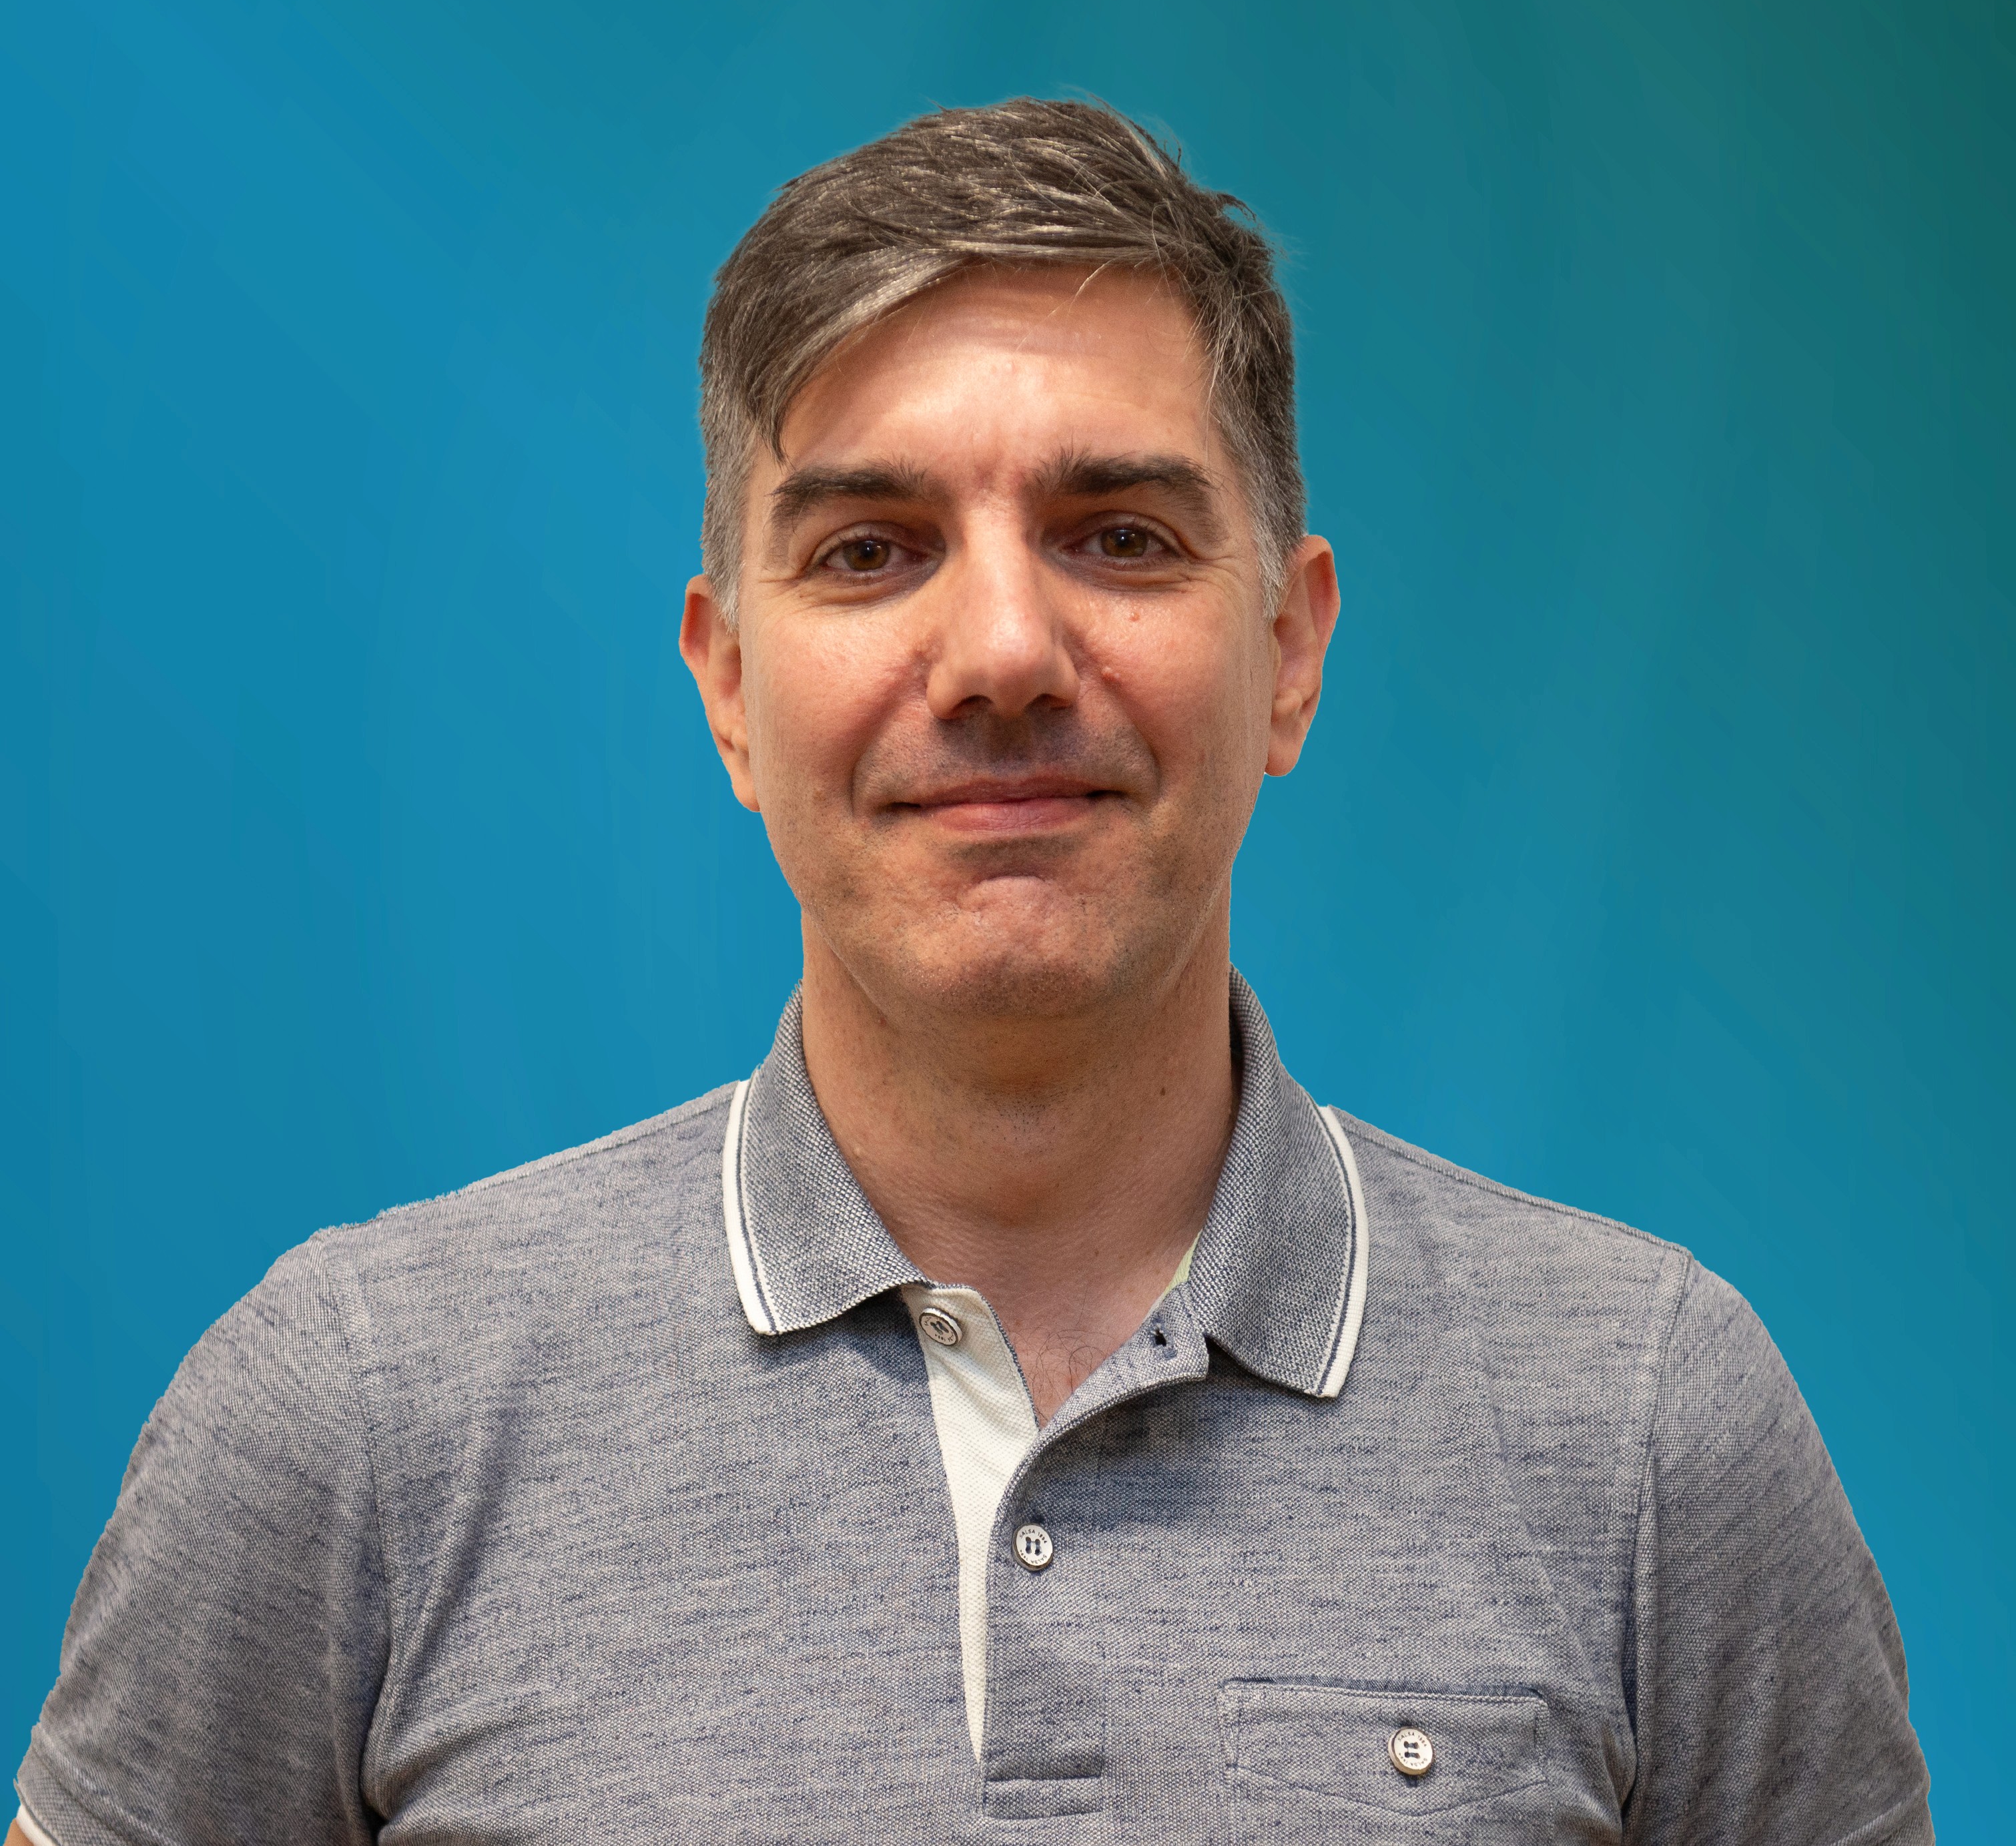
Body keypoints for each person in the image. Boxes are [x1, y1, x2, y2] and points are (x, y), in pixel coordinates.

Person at [13, 99, 1930, 1846]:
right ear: (730, 683)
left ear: (1289, 650)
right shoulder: (355, 1421)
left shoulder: (1654, 1427)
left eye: (1119, 536)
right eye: (871, 550)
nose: (1006, 649)